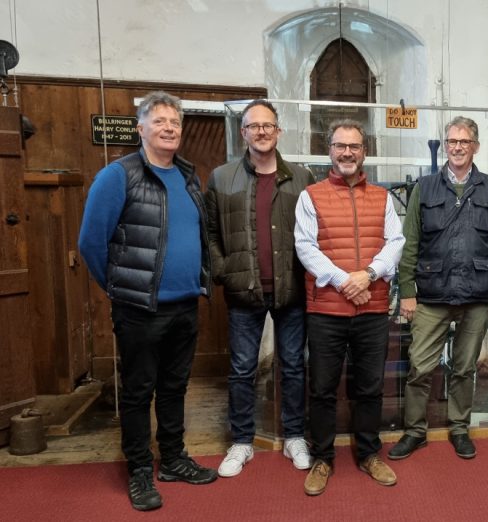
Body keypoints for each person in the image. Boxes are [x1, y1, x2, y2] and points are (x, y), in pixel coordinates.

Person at [78, 91, 217, 512]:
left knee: (175, 387)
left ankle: (172, 459)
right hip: (139, 308)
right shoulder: (118, 176)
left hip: (185, 304)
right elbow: (91, 243)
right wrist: (120, 289)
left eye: (175, 122)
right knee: (138, 391)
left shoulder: (188, 176)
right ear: (140, 128)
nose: (169, 128)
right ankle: (139, 468)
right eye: (159, 121)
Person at [294, 119, 405, 496]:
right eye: (340, 146)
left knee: (370, 387)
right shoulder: (310, 196)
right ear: (330, 151)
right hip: (327, 310)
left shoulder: (383, 197)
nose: (347, 153)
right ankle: (323, 458)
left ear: (364, 152)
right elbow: (305, 247)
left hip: (371, 309)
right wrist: (346, 281)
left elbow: (396, 241)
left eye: (354, 146)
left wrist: (368, 275)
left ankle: (369, 454)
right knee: (323, 388)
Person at [206, 100, 315, 477]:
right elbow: (210, 232)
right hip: (243, 290)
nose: (262, 132)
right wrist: (224, 270)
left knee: (293, 366)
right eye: (254, 126)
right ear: (243, 133)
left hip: (292, 289)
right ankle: (241, 441)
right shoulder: (222, 178)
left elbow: (315, 233)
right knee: (241, 368)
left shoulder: (301, 178)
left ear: (278, 131)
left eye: (268, 125)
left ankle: (295, 436)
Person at [388, 116, 488, 462]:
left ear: (475, 147)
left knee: (465, 368)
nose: (457, 147)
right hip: (432, 294)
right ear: (446, 145)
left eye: (464, 141)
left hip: (477, 294)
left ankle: (459, 428)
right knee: (420, 367)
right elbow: (409, 242)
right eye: (452, 141)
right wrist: (407, 291)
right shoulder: (425, 188)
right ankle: (414, 431)